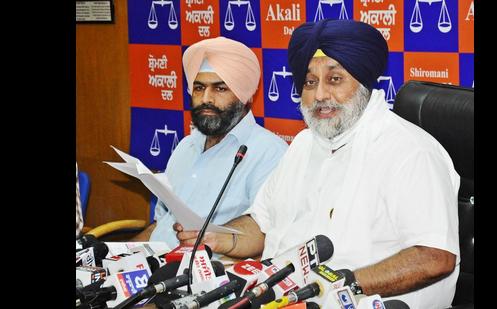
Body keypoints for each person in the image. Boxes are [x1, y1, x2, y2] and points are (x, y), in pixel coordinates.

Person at [174, 19, 460, 309]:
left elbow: (434, 257)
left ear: (363, 83)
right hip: (284, 298)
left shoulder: (410, 151)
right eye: (310, 82)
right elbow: (261, 226)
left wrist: (338, 283)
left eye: (334, 80)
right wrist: (219, 237)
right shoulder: (303, 144)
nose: (320, 95)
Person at [132, 37, 288, 249]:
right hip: (152, 266)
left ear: (246, 96)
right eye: (198, 88)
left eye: (220, 89)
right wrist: (118, 256)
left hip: (204, 275)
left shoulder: (270, 153)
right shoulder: (185, 147)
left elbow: (264, 235)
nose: (206, 98)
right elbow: (162, 223)